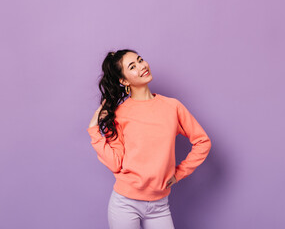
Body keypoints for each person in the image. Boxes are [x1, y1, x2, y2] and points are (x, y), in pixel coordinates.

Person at [87, 49, 212, 229]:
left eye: (140, 60)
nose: (142, 66)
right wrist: (94, 130)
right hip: (125, 204)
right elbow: (115, 163)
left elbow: (202, 141)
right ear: (124, 81)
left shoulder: (172, 107)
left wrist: (179, 173)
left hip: (159, 205)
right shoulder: (119, 114)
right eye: (132, 66)